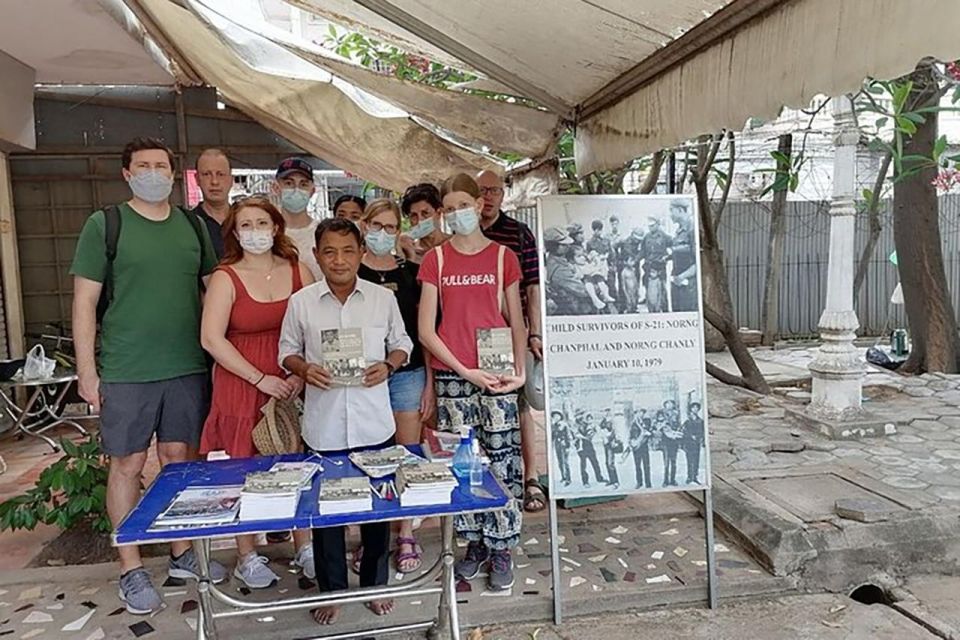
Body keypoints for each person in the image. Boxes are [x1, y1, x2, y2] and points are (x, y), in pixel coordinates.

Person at [70, 137, 226, 614]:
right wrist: (87, 370)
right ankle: (131, 567)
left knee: (180, 461)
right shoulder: (106, 225)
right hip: (127, 368)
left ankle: (182, 553)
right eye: (144, 166)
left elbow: (213, 289)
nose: (154, 173)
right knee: (128, 466)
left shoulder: (191, 225)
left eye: (162, 166)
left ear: (176, 176)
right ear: (127, 173)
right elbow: (85, 302)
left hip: (185, 365)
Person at [279, 217, 412, 625]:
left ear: (360, 254)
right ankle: (332, 590)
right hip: (324, 425)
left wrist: (388, 366)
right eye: (330, 252)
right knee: (327, 517)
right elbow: (286, 350)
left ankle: (375, 585)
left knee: (377, 512)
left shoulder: (381, 298)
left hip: (375, 424)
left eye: (348, 251)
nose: (339, 260)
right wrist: (303, 369)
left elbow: (403, 343)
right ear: (317, 256)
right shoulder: (301, 302)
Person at [199, 196, 315, 589]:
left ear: (276, 227)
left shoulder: (300, 270)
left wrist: (300, 373)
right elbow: (212, 339)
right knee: (243, 466)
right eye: (245, 225)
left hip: (291, 380)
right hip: (241, 381)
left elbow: (315, 327)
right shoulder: (225, 276)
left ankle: (305, 544)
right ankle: (247, 552)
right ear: (233, 232)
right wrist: (258, 379)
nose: (254, 232)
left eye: (261, 223)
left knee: (296, 460)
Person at [417, 173, 526, 591]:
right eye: (451, 208)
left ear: (480, 204)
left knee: (501, 462)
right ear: (443, 214)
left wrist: (517, 371)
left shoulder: (503, 257)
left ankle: (502, 545)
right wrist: (463, 370)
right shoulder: (437, 261)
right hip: (454, 378)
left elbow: (515, 319)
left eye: (466, 203)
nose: (459, 213)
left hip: (498, 377)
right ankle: (474, 543)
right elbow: (427, 330)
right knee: (463, 466)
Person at [357, 198, 431, 574]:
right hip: (364, 379)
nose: (383, 234)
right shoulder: (351, 271)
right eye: (377, 226)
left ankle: (405, 532)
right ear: (364, 227)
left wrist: (429, 382)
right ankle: (373, 538)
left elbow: (423, 331)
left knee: (406, 456)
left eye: (390, 228)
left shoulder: (411, 273)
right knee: (370, 458)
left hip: (407, 374)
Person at [476, 171, 545, 514]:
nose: (487, 197)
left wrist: (535, 332)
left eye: (493, 190)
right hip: (470, 338)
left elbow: (533, 285)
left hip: (511, 334)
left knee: (519, 406)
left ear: (503, 195)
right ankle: (485, 477)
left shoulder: (519, 234)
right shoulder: (462, 236)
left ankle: (530, 478)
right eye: (480, 191)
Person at [273, 157, 323, 280]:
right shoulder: (268, 232)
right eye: (289, 183)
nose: (296, 190)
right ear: (276, 188)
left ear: (312, 191)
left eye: (303, 184)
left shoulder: (322, 233)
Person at [192, 148, 232, 260]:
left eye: (220, 174)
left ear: (231, 179)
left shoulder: (245, 220)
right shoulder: (188, 224)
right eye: (206, 174)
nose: (214, 181)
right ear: (197, 179)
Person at [544, 227, 592, 315]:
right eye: (563, 245)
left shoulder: (559, 258)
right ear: (554, 246)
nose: (568, 246)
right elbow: (582, 290)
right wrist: (596, 288)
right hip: (575, 309)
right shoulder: (559, 269)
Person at [399, 183, 450, 264]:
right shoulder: (410, 250)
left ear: (438, 213)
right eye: (414, 216)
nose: (420, 220)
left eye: (425, 213)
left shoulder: (456, 243)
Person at [670, 201, 698, 312]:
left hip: (688, 285)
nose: (670, 214)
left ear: (680, 210)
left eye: (672, 211)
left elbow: (698, 262)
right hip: (677, 281)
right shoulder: (678, 231)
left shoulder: (692, 230)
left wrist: (682, 276)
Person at [640, 217, 673, 313]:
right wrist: (635, 261)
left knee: (662, 292)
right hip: (648, 269)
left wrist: (668, 257)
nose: (650, 228)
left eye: (653, 225)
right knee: (650, 294)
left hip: (660, 269)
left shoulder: (664, 236)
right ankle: (652, 313)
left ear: (658, 225)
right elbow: (642, 252)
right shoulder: (646, 237)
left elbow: (674, 247)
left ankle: (665, 312)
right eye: (649, 226)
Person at [574, 412, 605, 487]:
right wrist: (585, 437)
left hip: (589, 446)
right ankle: (585, 482)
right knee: (583, 465)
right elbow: (576, 434)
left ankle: (599, 478)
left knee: (595, 462)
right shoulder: (577, 425)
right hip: (581, 447)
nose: (581, 419)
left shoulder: (589, 425)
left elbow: (595, 431)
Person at [628, 409, 652, 489]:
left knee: (646, 466)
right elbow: (630, 434)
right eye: (638, 413)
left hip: (644, 446)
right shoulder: (633, 423)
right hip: (636, 447)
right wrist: (630, 443)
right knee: (637, 466)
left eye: (641, 412)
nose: (639, 414)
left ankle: (648, 483)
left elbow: (648, 432)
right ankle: (639, 482)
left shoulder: (647, 421)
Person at [660, 401, 683, 487]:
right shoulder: (661, 414)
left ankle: (673, 480)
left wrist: (676, 434)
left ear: (673, 405)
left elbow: (680, 426)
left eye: (671, 404)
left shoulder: (676, 414)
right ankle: (665, 480)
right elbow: (657, 426)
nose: (669, 405)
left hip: (674, 441)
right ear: (665, 405)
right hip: (665, 441)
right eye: (667, 404)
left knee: (674, 462)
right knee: (666, 462)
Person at [682, 402, 705, 485]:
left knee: (696, 460)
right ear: (690, 409)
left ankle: (695, 477)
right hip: (688, 443)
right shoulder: (687, 421)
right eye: (693, 408)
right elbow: (684, 432)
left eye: (696, 408)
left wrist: (699, 438)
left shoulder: (701, 421)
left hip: (696, 443)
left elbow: (703, 431)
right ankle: (689, 477)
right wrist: (690, 436)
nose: (695, 409)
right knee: (689, 460)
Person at [599, 409, 621, 489]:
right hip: (606, 443)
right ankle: (611, 480)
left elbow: (615, 432)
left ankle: (616, 481)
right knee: (606, 463)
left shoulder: (612, 421)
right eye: (603, 412)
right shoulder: (603, 422)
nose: (604, 413)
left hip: (611, 443)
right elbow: (601, 430)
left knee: (610, 463)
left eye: (606, 411)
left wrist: (610, 438)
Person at [550, 409, 572, 486]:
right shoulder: (553, 426)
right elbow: (552, 437)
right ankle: (563, 476)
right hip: (557, 445)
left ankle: (568, 479)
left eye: (557, 415)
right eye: (554, 416)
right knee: (560, 462)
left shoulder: (564, 425)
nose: (556, 417)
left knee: (565, 462)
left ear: (560, 416)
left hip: (564, 444)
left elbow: (568, 435)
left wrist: (568, 445)